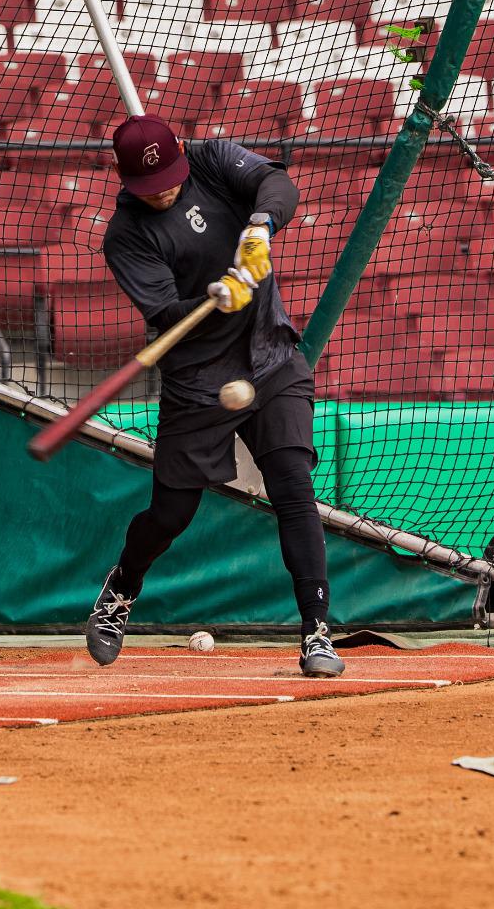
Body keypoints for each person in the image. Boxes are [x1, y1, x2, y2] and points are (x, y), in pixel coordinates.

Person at [86, 113, 344, 677]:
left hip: (271, 355)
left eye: (170, 181)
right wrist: (214, 297)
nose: (165, 194)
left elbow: (279, 186)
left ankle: (317, 632)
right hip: (198, 379)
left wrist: (258, 227)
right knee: (171, 514)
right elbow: (165, 314)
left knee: (294, 489)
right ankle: (122, 587)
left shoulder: (213, 160)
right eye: (150, 190)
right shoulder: (125, 237)